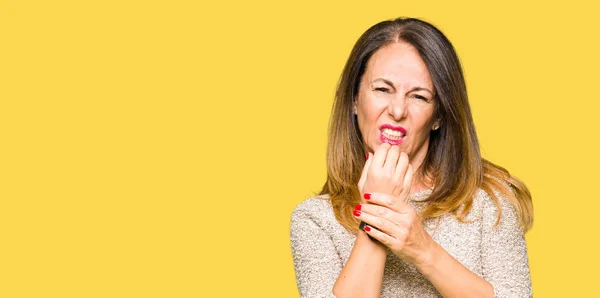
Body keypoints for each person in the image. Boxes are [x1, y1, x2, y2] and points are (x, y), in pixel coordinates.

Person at [289, 17, 534, 298]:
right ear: (355, 100)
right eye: (382, 89)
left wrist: (421, 248)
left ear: (438, 115)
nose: (397, 110)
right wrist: (378, 214)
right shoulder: (315, 220)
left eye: (418, 96)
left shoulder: (489, 204)